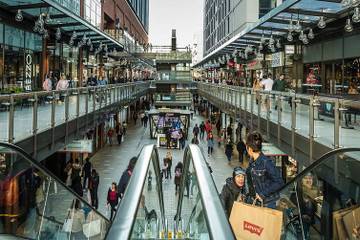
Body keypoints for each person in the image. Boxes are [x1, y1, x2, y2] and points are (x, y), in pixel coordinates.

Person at [245, 132, 284, 209]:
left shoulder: (266, 162)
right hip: (256, 202)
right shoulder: (252, 161)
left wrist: (262, 194)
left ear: (249, 149)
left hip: (267, 204)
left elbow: (279, 182)